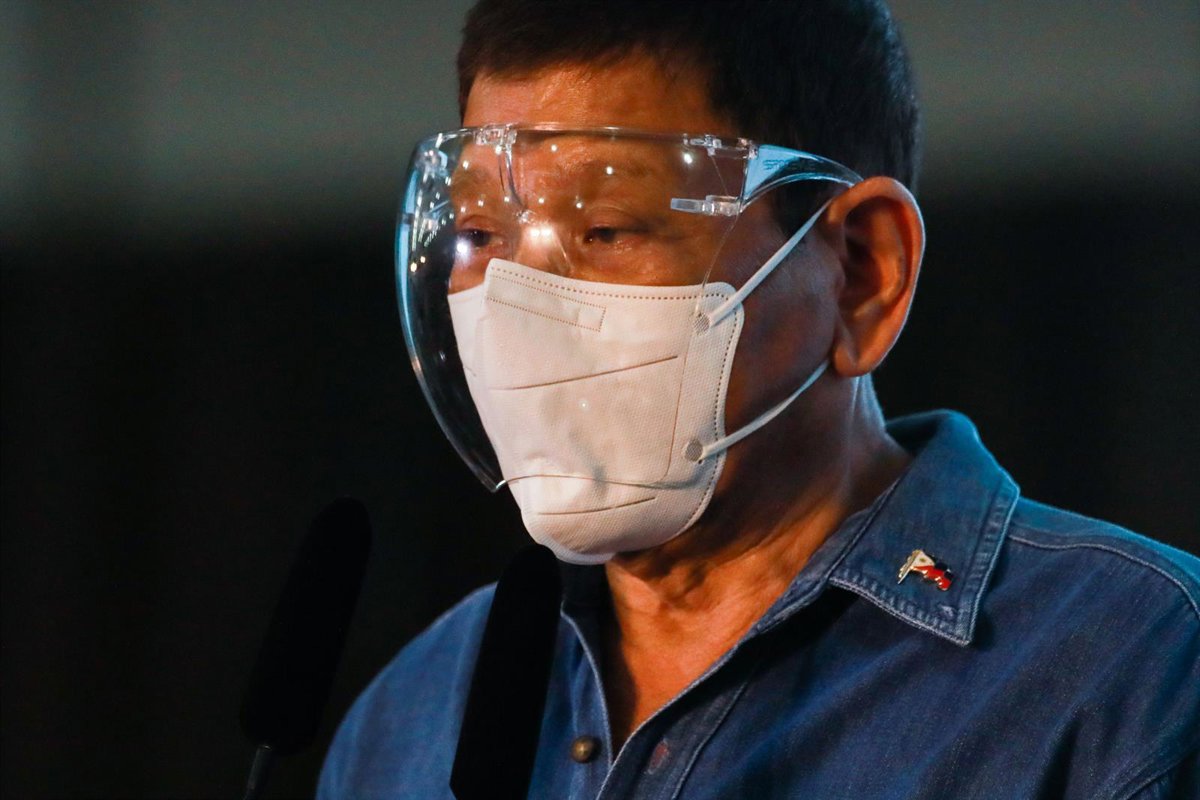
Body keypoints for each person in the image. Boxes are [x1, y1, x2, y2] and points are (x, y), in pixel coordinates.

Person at [320, 1, 1200, 797]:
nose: (514, 299)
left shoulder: (1134, 668)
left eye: (607, 228)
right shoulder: (416, 715)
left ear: (862, 272)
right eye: (477, 233)